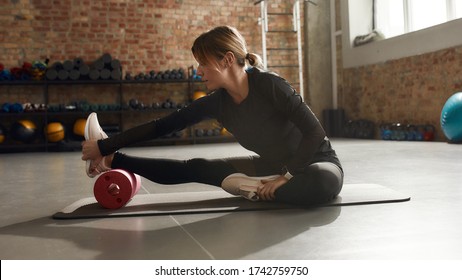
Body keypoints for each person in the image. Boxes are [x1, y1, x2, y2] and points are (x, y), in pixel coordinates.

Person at [81, 25, 343, 206]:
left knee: (320, 184)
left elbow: (315, 133)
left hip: (314, 163)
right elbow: (162, 126)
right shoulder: (216, 103)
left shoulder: (270, 85)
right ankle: (113, 160)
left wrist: (286, 177)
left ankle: (253, 187)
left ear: (227, 60)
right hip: (271, 165)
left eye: (203, 62)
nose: (198, 70)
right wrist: (104, 147)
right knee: (195, 167)